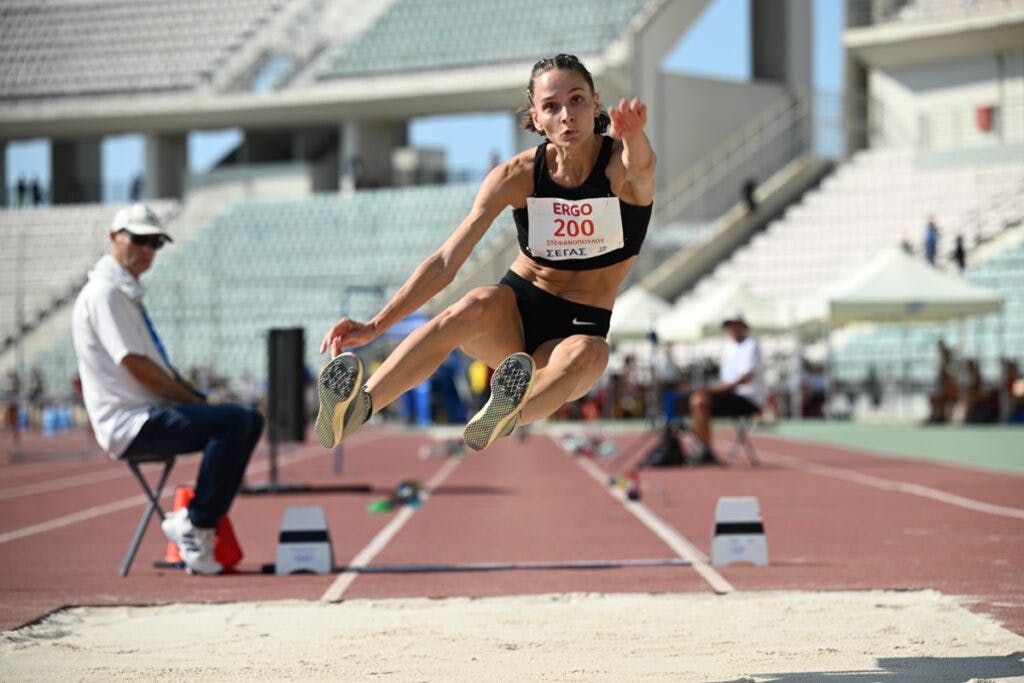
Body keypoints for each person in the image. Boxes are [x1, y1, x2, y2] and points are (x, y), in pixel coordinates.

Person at [314, 53, 655, 452]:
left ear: (596, 104)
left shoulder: (617, 167)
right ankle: (361, 405)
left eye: (577, 100)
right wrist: (375, 326)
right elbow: (445, 263)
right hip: (514, 312)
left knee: (586, 352)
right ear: (535, 117)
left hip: (581, 324)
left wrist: (633, 135)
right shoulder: (516, 176)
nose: (567, 115)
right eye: (552, 106)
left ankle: (508, 411)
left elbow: (640, 167)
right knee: (472, 304)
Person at [71, 204, 264, 575]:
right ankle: (197, 523)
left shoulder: (123, 293)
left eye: (155, 242)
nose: (148, 249)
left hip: (147, 413)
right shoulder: (105, 294)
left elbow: (155, 366)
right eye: (139, 239)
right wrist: (189, 399)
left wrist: (193, 397)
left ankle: (197, 521)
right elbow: (136, 365)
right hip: (130, 422)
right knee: (237, 422)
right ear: (114, 238)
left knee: (243, 420)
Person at [679, 312, 765, 465]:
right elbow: (724, 380)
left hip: (747, 398)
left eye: (733, 324)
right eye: (728, 325)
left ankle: (704, 449)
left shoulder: (751, 345)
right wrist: (707, 389)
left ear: (742, 326)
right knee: (696, 399)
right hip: (730, 395)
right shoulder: (729, 348)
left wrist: (713, 391)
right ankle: (704, 447)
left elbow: (745, 378)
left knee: (700, 400)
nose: (731, 328)